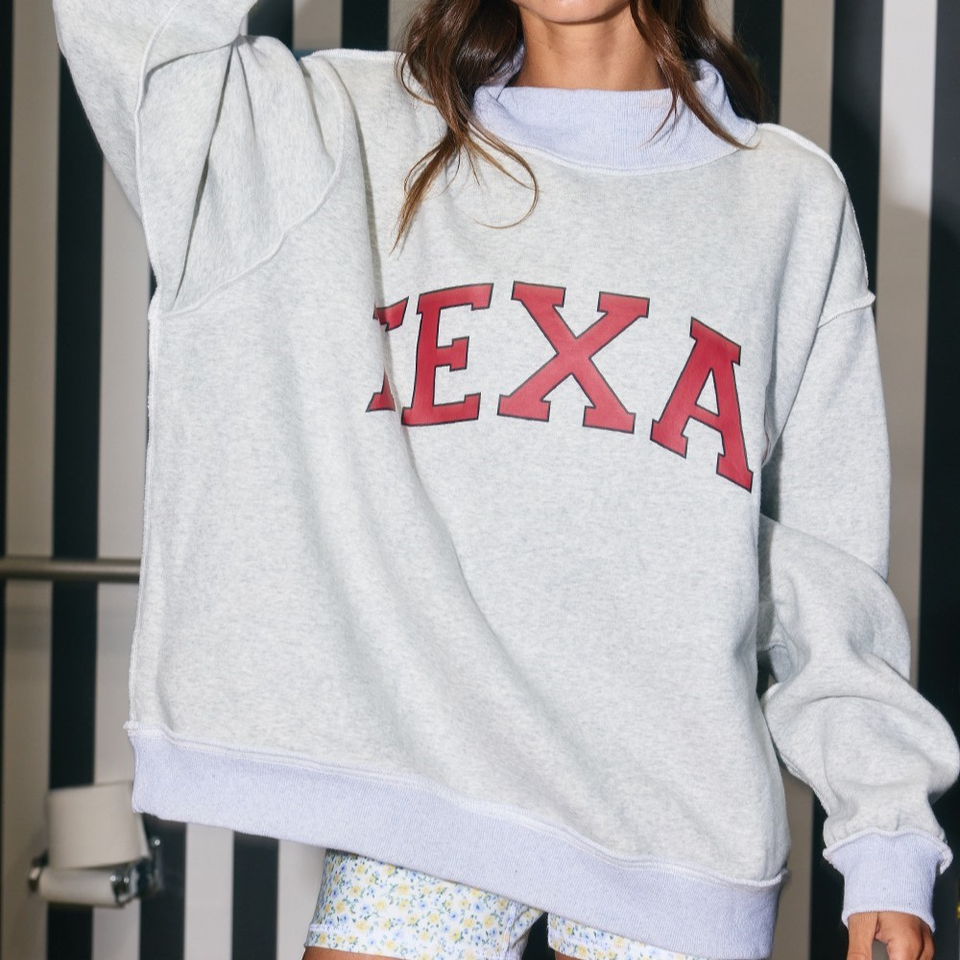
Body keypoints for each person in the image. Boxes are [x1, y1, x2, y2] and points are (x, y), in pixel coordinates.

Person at [50, 0, 959, 959]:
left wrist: (886, 838)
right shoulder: (342, 132)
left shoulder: (786, 198)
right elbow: (135, 38)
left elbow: (825, 569)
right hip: (431, 797)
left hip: (676, 823)